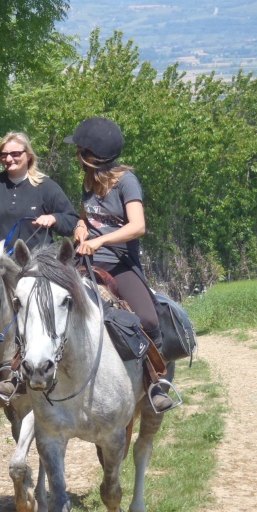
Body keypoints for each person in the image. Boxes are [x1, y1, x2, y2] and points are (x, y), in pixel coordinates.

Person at [65, 117, 177, 413]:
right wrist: (80, 225)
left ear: (91, 156)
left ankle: (156, 382)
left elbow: (138, 226)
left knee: (149, 320)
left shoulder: (126, 182)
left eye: (79, 150)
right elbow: (88, 216)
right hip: (84, 260)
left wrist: (101, 242)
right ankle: (23, 371)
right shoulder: (88, 181)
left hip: (119, 263)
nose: (76, 155)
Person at [0, 131, 79, 256]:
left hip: (37, 267)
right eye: (4, 155)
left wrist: (54, 218)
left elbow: (73, 222)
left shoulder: (45, 186)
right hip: (0, 267)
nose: (9, 159)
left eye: (15, 154)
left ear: (29, 156)